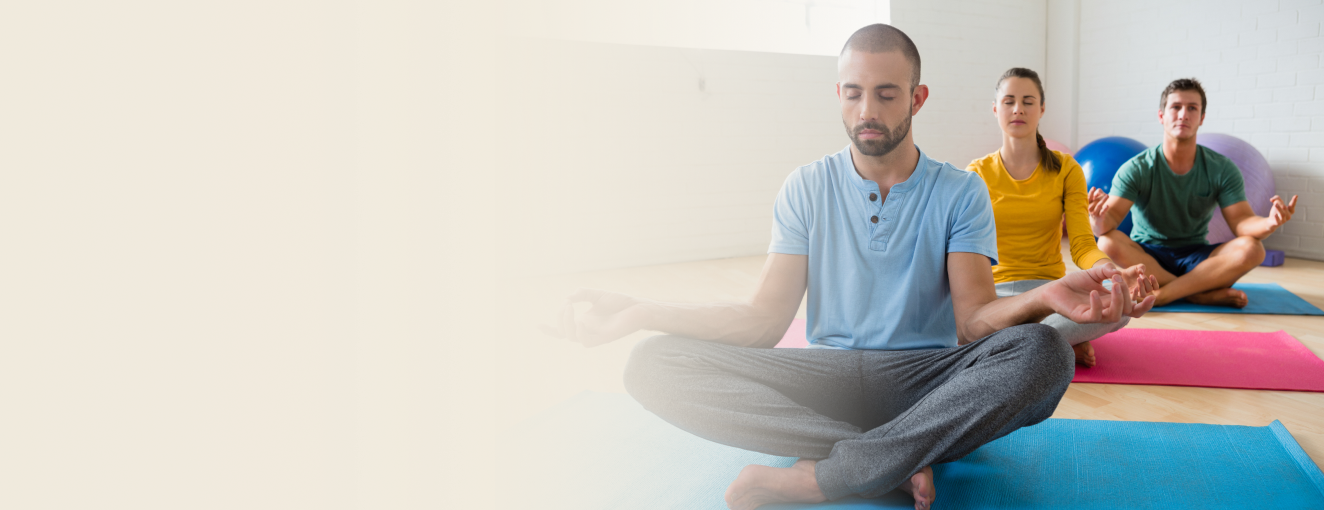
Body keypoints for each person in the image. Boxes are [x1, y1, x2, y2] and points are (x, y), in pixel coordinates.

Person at [544, 25, 1154, 510]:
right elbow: (762, 321)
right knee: (653, 362)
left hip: (929, 378)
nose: (868, 109)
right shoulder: (804, 187)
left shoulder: (960, 192)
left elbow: (973, 322)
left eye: (887, 94)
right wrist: (636, 312)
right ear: (838, 94)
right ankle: (889, 458)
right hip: (827, 374)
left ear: (916, 98)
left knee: (1044, 355)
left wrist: (1046, 296)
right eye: (854, 92)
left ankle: (829, 473)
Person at [965, 68, 1158, 367]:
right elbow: (966, 253)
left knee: (1121, 308)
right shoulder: (976, 174)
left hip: (1051, 293)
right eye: (1009, 101)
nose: (1018, 109)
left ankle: (1024, 344)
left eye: (1028, 101)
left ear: (1041, 109)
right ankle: (1056, 343)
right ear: (995, 109)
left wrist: (1113, 273)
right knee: (961, 320)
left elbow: (1082, 244)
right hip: (995, 294)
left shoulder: (1066, 169)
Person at [1089, 78, 1298, 307]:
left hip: (1198, 257)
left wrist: (1270, 223)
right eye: (1176, 107)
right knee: (1107, 242)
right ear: (1162, 116)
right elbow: (1107, 225)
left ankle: (1165, 294)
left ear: (1202, 118)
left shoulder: (1222, 168)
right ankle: (1198, 293)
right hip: (1148, 256)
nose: (1183, 114)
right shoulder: (1136, 168)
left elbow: (1242, 222)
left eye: (1192, 108)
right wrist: (1097, 219)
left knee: (1253, 249)